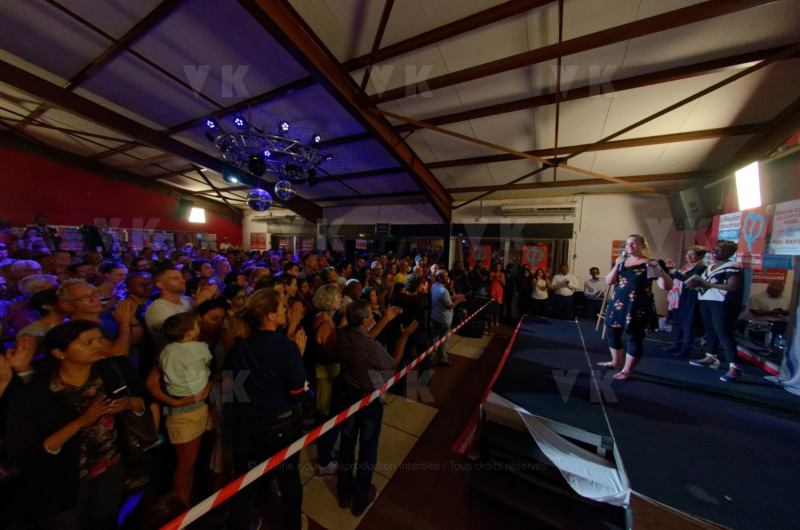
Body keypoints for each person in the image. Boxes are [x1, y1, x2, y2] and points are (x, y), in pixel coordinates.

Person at [5, 320, 150, 528]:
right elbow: (28, 449)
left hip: (110, 464)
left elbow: (143, 401)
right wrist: (81, 421)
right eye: (88, 342)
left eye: (99, 339)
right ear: (59, 352)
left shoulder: (113, 371)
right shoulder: (40, 391)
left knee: (106, 519)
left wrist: (130, 403)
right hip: (62, 476)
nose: (98, 346)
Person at [227, 289, 308, 530]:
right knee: (289, 479)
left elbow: (234, 383)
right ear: (270, 316)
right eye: (282, 307)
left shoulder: (240, 344)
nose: (286, 310)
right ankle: (292, 524)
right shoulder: (286, 347)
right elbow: (298, 392)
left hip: (247, 424)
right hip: (281, 425)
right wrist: (299, 357)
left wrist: (251, 405)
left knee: (246, 482)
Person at [333, 300, 417, 516]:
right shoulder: (371, 347)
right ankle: (360, 499)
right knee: (368, 449)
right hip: (368, 401)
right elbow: (392, 365)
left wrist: (386, 318)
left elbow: (364, 337)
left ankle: (343, 494)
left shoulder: (342, 333)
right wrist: (405, 336)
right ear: (363, 321)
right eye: (371, 315)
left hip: (347, 395)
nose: (373, 317)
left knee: (347, 445)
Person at [157, 312, 214, 504]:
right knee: (186, 463)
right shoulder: (200, 347)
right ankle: (181, 506)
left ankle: (189, 499)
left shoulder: (166, 350)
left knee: (190, 461)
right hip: (189, 409)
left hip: (183, 403)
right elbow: (207, 363)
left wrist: (173, 401)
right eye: (197, 326)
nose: (200, 328)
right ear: (189, 333)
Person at [599, 234, 672, 381]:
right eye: (628, 244)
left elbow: (666, 286)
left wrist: (660, 270)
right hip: (618, 304)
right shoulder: (621, 262)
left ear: (643, 246)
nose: (630, 246)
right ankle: (616, 362)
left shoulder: (650, 263)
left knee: (634, 338)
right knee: (612, 334)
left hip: (637, 307)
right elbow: (610, 281)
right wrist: (617, 265)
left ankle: (627, 370)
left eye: (634, 243)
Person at [686, 240, 744, 382]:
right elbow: (704, 283)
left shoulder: (733, 266)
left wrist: (705, 283)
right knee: (710, 330)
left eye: (721, 249)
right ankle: (711, 357)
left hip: (722, 303)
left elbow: (733, 287)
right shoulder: (711, 266)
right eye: (716, 248)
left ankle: (734, 367)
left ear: (730, 252)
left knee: (723, 332)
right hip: (706, 301)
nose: (716, 251)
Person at [664, 246, 707, 356]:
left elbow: (688, 280)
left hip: (690, 298)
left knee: (688, 324)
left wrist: (674, 271)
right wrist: (671, 271)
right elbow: (676, 279)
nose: (688, 256)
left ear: (700, 256)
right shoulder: (686, 267)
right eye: (687, 254)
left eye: (692, 254)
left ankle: (685, 348)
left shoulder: (701, 267)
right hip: (679, 297)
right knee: (678, 321)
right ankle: (676, 344)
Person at [430, 269, 466, 367]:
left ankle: (430, 357)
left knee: (434, 339)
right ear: (440, 278)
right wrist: (459, 300)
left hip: (434, 317)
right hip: (444, 319)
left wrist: (454, 297)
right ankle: (443, 360)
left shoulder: (434, 286)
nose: (448, 278)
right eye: (445, 276)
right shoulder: (443, 290)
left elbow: (444, 299)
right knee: (443, 341)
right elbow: (450, 306)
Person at [488, 262, 505, 327]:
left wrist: (500, 280)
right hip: (492, 290)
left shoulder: (502, 274)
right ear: (495, 267)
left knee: (497, 306)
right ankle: (491, 320)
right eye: (497, 267)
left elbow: (504, 284)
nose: (498, 268)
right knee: (491, 306)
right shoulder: (492, 273)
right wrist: (492, 278)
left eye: (499, 267)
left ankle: (497, 320)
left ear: (501, 268)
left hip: (499, 291)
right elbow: (489, 281)